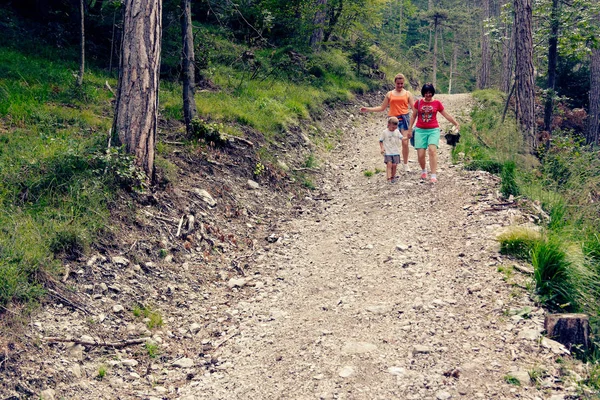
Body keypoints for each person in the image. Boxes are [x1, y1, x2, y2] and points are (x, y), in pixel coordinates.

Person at [360, 73, 415, 172]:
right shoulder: (389, 94)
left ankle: (405, 164)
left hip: (404, 119)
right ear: (395, 83)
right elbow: (382, 108)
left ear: (404, 83)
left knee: (405, 142)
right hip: (393, 120)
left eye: (401, 83)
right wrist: (368, 109)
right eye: (398, 83)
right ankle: (393, 164)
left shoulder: (407, 94)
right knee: (392, 142)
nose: (400, 85)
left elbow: (414, 108)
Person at [407, 83, 460, 184]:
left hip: (433, 130)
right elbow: (413, 116)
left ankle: (433, 175)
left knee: (432, 150)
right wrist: (410, 129)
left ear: (432, 93)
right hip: (420, 130)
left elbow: (445, 114)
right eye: (426, 93)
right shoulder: (418, 103)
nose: (428, 95)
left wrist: (455, 123)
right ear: (423, 93)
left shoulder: (437, 103)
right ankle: (423, 170)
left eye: (430, 93)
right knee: (421, 154)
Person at [379, 117, 403, 183]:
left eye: (395, 128)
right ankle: (388, 177)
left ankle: (393, 176)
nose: (393, 129)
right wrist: (382, 148)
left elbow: (402, 138)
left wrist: (408, 137)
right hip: (388, 151)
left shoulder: (397, 131)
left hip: (395, 151)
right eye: (392, 127)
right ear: (389, 124)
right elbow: (380, 141)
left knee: (394, 165)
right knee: (389, 164)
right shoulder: (385, 132)